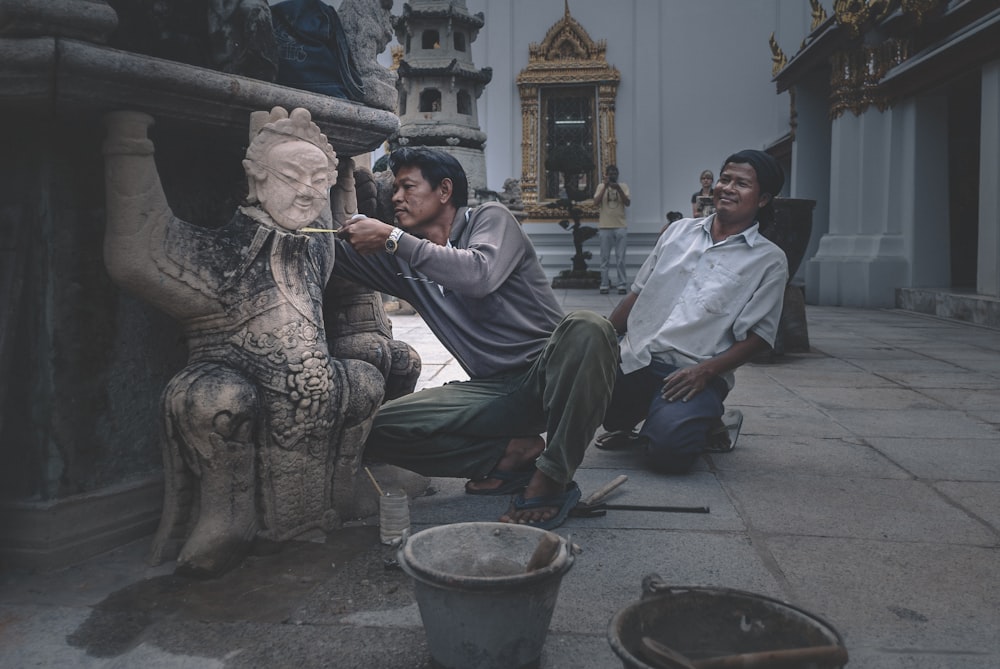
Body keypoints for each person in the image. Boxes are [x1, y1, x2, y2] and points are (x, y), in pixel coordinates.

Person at [332, 147, 619, 529]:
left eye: (407, 187)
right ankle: (509, 455)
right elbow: (328, 254)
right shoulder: (403, 258)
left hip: (551, 375)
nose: (396, 198)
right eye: (394, 189)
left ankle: (552, 477)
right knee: (374, 430)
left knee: (589, 327)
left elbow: (478, 276)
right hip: (494, 390)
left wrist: (393, 237)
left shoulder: (490, 218)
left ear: (445, 190)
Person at [599, 150, 788, 474]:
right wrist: (599, 338)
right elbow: (637, 295)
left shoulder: (768, 260)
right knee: (597, 406)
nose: (727, 188)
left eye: (741, 184)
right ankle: (651, 414)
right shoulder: (677, 232)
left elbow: (759, 338)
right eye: (725, 179)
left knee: (668, 456)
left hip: (692, 373)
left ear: (763, 199)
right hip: (638, 359)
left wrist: (707, 372)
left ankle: (709, 420)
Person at [593, 164, 631, 294]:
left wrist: (618, 189)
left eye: (615, 173)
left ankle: (622, 284)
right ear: (607, 175)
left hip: (620, 226)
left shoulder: (623, 186)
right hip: (604, 227)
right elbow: (596, 202)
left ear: (618, 174)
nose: (613, 175)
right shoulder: (600, 186)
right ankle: (604, 284)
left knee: (621, 258)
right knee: (604, 258)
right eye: (611, 173)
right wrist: (605, 186)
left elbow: (627, 203)